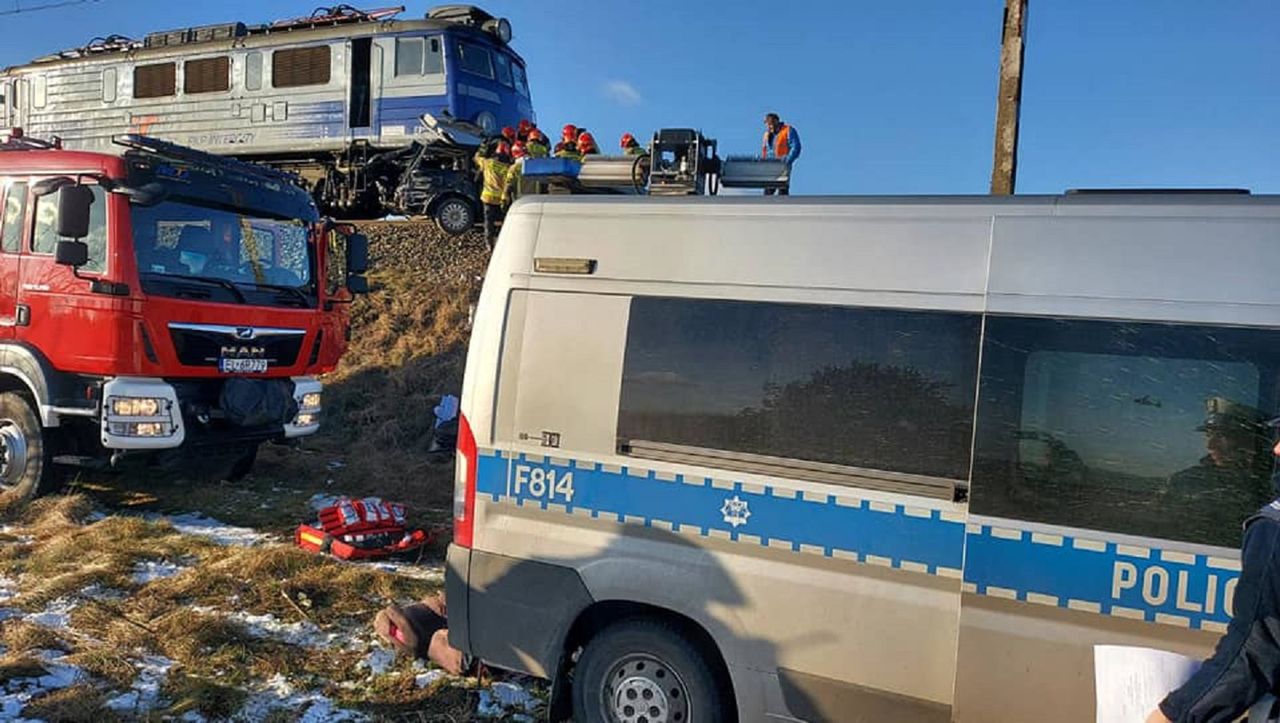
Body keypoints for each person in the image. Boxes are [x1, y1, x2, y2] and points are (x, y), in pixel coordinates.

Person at [1146, 414, 1280, 723]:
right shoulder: (1185, 480)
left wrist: (1176, 715)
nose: (1276, 450)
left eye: (1226, 435)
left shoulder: (1272, 527)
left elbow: (1256, 650)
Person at [473, 141, 513, 250]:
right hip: (501, 199)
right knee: (504, 222)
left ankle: (489, 244)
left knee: (488, 223)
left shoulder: (488, 163)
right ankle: (503, 243)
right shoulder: (508, 167)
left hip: (488, 198)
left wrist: (483, 147)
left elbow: (476, 158)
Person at [761, 112, 801, 195]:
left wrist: (787, 160)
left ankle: (784, 206)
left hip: (783, 165)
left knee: (782, 190)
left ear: (776, 122)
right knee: (768, 191)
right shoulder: (767, 134)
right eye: (767, 124)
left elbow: (796, 147)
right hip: (769, 167)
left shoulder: (788, 130)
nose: (769, 127)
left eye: (770, 124)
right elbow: (765, 151)